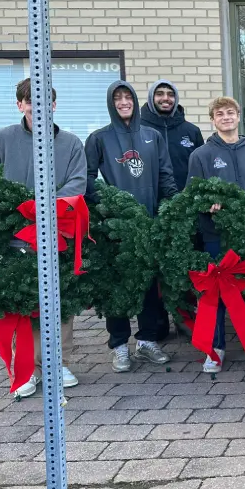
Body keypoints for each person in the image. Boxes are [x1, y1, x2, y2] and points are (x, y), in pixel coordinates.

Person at [0, 78, 86, 397]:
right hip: (15, 236)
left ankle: (57, 364)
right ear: (20, 105)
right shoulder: (1, 140)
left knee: (60, 300)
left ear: (53, 105)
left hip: (57, 233)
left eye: (44, 102)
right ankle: (26, 369)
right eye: (30, 102)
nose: (37, 107)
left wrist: (44, 208)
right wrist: (14, 211)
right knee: (20, 300)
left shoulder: (70, 143)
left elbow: (77, 183)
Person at [85, 80, 177, 372]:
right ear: (111, 103)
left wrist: (171, 208)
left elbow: (165, 176)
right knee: (118, 286)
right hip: (117, 228)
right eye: (117, 98)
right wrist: (107, 207)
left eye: (128, 97)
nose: (123, 102)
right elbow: (86, 180)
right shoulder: (99, 138)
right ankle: (120, 344)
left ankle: (148, 340)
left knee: (150, 283)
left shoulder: (151, 136)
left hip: (149, 222)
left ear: (136, 101)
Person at [186, 96, 245, 371]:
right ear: (213, 120)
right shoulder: (201, 155)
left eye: (230, 112)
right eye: (220, 114)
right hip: (215, 235)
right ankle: (215, 348)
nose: (226, 117)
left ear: (238, 116)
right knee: (214, 293)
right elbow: (192, 196)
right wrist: (207, 206)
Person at [138, 80, 204, 190]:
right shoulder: (137, 130)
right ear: (151, 98)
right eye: (159, 94)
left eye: (170, 95)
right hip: (148, 201)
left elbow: (202, 168)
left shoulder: (192, 131)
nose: (165, 98)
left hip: (184, 201)